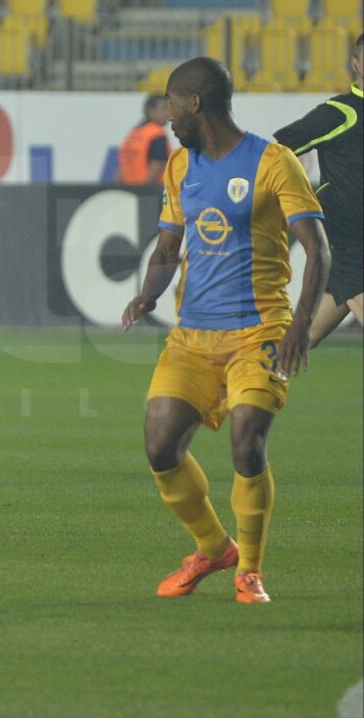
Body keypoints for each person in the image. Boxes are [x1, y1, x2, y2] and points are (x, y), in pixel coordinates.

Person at [122, 57, 330, 604]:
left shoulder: (272, 162)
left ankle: (250, 571)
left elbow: (316, 247)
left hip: (260, 330)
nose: (165, 115)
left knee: (247, 442)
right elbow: (169, 245)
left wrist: (300, 322)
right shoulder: (178, 166)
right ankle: (214, 549)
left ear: (196, 103)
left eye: (170, 103)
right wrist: (148, 295)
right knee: (160, 445)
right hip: (192, 336)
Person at [273, 32, 363, 347]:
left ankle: (239, 381)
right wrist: (293, 191)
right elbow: (280, 148)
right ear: (356, 64)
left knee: (302, 338)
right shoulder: (342, 112)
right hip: (346, 242)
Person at [114, 93, 172, 185]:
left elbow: (121, 170)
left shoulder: (132, 134)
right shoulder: (157, 134)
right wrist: (145, 192)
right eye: (164, 108)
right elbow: (155, 168)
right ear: (151, 110)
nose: (168, 113)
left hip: (130, 189)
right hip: (150, 192)